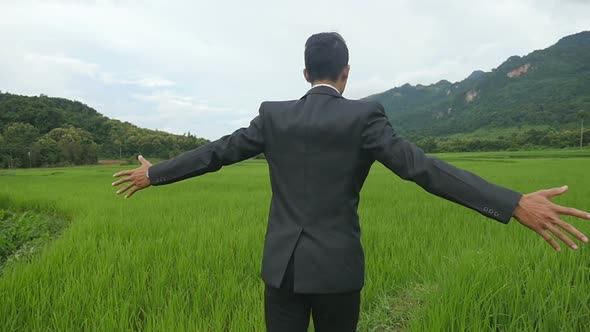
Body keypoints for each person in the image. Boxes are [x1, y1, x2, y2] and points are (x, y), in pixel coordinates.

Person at [112, 32, 590, 332]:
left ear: (304, 73)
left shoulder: (272, 117)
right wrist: (511, 203)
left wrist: (154, 173)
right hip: (338, 271)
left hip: (281, 271)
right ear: (345, 73)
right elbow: (423, 169)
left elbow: (215, 153)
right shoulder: (364, 117)